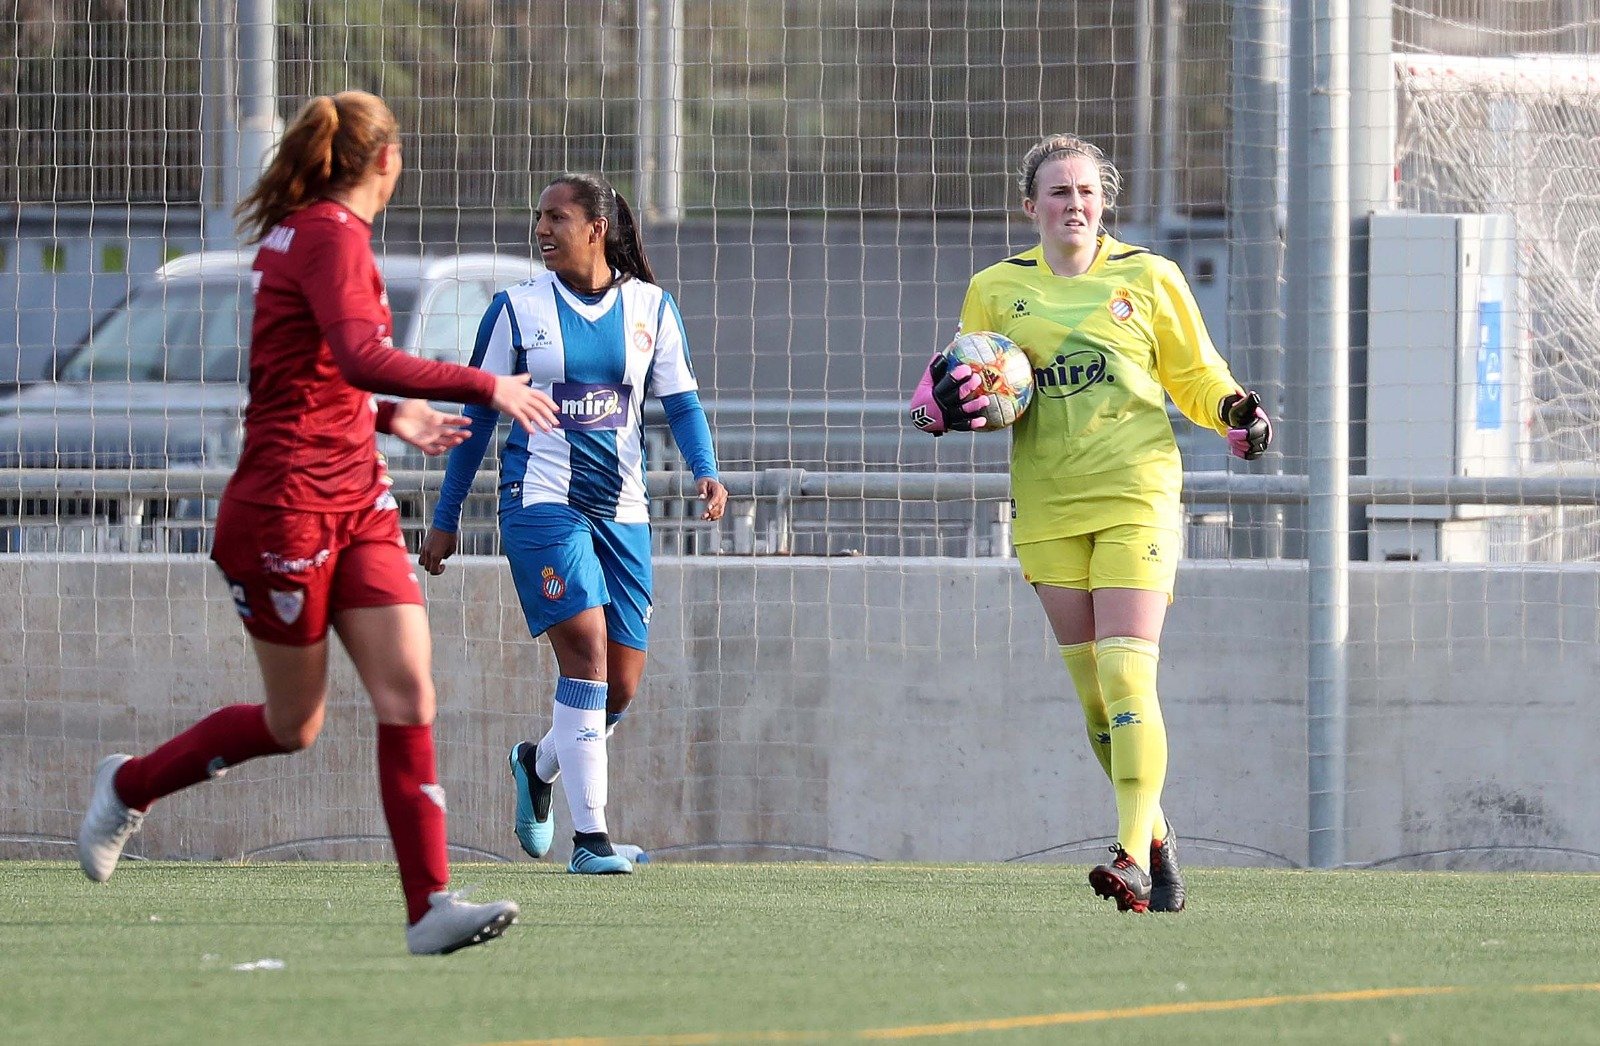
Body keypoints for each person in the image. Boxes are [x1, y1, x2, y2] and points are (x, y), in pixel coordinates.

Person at [75, 91, 561, 955]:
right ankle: (130, 785)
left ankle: (427, 907)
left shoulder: (310, 235)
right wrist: (487, 384)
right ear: (386, 162)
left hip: (359, 502)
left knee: (409, 692)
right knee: (291, 724)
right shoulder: (328, 236)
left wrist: (383, 420)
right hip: (284, 509)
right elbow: (355, 357)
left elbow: (308, 377)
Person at [909, 134, 1272, 913]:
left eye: (1086, 192)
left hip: (1136, 493)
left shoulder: (1148, 276)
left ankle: (1131, 856)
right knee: (1094, 701)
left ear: (1103, 202)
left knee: (1126, 672)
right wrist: (934, 409)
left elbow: (1196, 374)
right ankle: (1159, 842)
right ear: (1030, 205)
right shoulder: (995, 289)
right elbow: (959, 378)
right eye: (1058, 193)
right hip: (1046, 505)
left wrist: (1235, 410)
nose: (1074, 205)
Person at [419, 172, 727, 876]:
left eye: (557, 217)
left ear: (598, 228)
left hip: (622, 509)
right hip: (540, 504)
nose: (542, 230)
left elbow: (680, 402)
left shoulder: (651, 307)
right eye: (538, 218)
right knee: (584, 655)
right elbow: (475, 422)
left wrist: (705, 469)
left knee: (619, 686)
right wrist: (446, 517)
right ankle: (591, 841)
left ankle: (537, 763)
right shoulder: (516, 310)